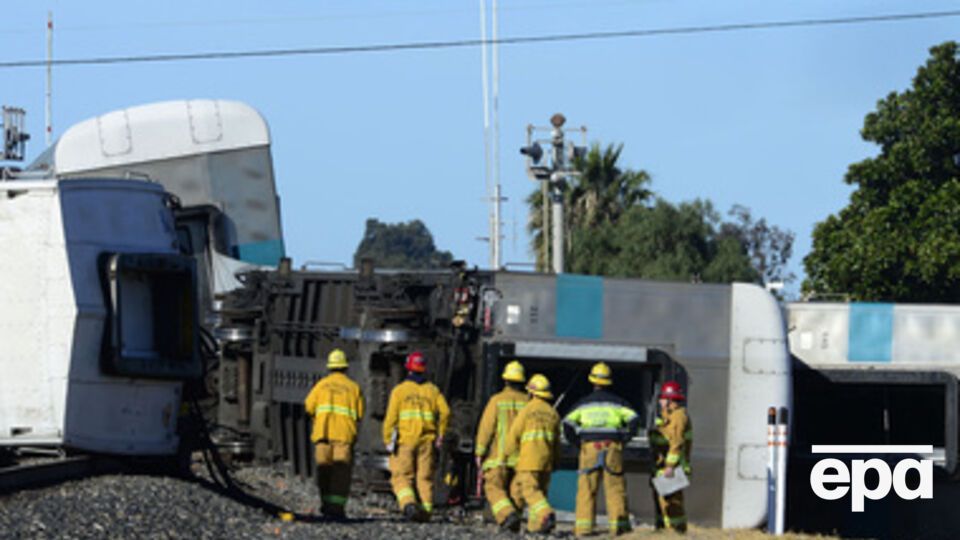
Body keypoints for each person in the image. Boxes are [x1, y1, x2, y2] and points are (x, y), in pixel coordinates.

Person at [562, 362, 640, 536]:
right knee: (615, 488)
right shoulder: (618, 403)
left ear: (592, 381)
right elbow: (635, 419)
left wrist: (577, 443)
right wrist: (625, 438)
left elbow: (567, 424)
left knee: (586, 488)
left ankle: (584, 528)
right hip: (612, 447)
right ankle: (618, 527)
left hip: (589, 447)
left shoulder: (583, 404)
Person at [382, 351, 450, 522]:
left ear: (408, 369)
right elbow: (446, 412)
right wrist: (440, 434)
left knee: (401, 476)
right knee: (424, 478)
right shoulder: (432, 390)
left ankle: (408, 504)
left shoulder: (399, 391)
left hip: (405, 441)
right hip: (427, 442)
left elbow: (390, 419)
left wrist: (388, 439)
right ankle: (426, 512)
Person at [303, 348, 365, 519]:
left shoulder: (321, 385)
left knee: (324, 470)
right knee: (341, 473)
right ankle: (336, 508)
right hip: (344, 436)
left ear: (330, 367)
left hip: (323, 435)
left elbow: (308, 406)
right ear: (345, 368)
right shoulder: (353, 388)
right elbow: (360, 413)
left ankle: (325, 504)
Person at [474, 360, 529, 531]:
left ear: (505, 380)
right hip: (521, 459)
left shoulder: (496, 400)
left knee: (493, 488)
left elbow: (486, 428)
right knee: (516, 493)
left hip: (499, 458)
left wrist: (479, 452)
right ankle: (512, 520)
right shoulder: (529, 403)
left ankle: (507, 514)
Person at [504, 373, 560, 534]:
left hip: (529, 460)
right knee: (529, 491)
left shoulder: (527, 410)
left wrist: (506, 455)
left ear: (532, 392)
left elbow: (513, 435)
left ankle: (546, 514)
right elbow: (556, 444)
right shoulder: (553, 414)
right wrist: (556, 461)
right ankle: (535, 528)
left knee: (530, 491)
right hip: (546, 461)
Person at [649, 380, 693, 533]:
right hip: (663, 466)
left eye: (662, 398)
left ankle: (676, 532)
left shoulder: (678, 416)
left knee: (672, 504)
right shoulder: (668, 415)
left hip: (674, 467)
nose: (660, 401)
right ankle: (663, 531)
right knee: (662, 502)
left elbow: (676, 443)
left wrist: (669, 466)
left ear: (670, 400)